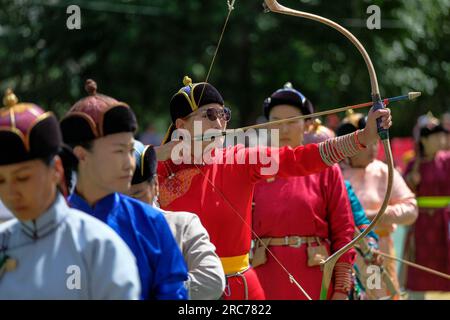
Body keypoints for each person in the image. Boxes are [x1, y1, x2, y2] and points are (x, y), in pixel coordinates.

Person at [155, 76, 392, 299]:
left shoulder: (241, 160)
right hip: (182, 287)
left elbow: (301, 159)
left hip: (240, 287)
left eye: (223, 114)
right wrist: (153, 156)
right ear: (181, 125)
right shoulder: (156, 168)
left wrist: (364, 136)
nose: (219, 123)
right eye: (208, 114)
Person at [0, 89, 140, 299]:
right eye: (0, 181)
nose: (10, 193)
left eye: (23, 178)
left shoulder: (98, 246)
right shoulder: (4, 243)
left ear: (56, 169)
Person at [60, 79, 188, 300]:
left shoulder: (151, 223)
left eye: (131, 151)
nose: (130, 163)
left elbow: (174, 295)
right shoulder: (51, 228)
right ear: (82, 155)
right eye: (119, 151)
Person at [251, 83, 356, 300]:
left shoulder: (327, 168)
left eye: (292, 122)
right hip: (263, 281)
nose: (284, 129)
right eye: (276, 122)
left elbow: (344, 231)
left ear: (308, 125)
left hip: (315, 278)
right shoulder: (252, 169)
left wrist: (341, 290)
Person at [128, 140, 226, 300]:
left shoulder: (183, 225)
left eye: (136, 194)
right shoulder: (102, 228)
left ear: (155, 185)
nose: (128, 203)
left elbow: (212, 281)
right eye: (120, 195)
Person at [337, 110, 418, 299]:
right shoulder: (335, 173)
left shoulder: (383, 170)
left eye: (375, 142)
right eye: (367, 142)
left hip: (379, 251)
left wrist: (375, 216)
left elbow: (411, 209)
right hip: (344, 254)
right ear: (350, 144)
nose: (373, 147)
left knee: (383, 296)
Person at [305, 120, 383, 300]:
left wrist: (370, 246)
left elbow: (362, 224)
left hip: (338, 267)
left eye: (323, 152)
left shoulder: (341, 185)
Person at [403, 112, 450, 298]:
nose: (441, 139)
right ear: (423, 140)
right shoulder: (414, 163)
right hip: (421, 223)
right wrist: (411, 181)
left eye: (443, 135)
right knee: (419, 268)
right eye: (436, 136)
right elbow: (403, 192)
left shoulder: (447, 160)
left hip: (444, 221)